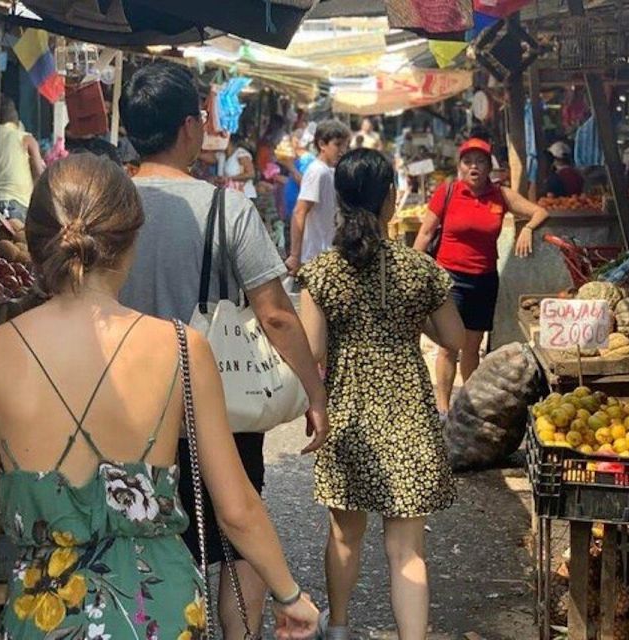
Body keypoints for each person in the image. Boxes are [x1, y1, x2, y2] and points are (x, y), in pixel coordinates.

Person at [0, 153, 320, 640]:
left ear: (36, 242)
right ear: (131, 244)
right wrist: (291, 596)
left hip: (44, 616)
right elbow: (237, 508)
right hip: (160, 611)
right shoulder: (184, 348)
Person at [117, 62, 330, 639]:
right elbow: (277, 315)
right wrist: (315, 392)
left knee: (144, 533)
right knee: (238, 540)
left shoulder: (107, 208)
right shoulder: (225, 209)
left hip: (124, 408)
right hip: (218, 406)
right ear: (191, 126)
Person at [297, 149, 464, 640]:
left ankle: (341, 628)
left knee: (345, 536)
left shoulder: (323, 272)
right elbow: (454, 340)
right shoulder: (420, 269)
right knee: (407, 550)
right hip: (409, 413)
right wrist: (417, 317)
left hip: (348, 413)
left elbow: (312, 350)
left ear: (342, 200)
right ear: (392, 198)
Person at [413, 137, 549, 415]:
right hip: (448, 278)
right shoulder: (447, 191)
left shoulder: (501, 195)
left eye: (480, 161)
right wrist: (412, 268)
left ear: (490, 166)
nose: (474, 166)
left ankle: (467, 406)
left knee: (473, 346)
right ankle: (442, 409)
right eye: (468, 161)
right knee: (449, 346)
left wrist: (528, 228)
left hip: (484, 280)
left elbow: (540, 212)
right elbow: (426, 233)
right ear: (460, 166)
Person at [286, 120, 351, 275]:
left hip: (330, 254)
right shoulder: (317, 172)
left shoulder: (331, 171)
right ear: (322, 144)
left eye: (345, 146)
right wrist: (295, 256)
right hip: (316, 257)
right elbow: (300, 212)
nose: (342, 150)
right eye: (337, 145)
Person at [0, 97, 45, 221]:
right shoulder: (26, 138)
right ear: (16, 121)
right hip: (17, 204)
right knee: (17, 240)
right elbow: (40, 175)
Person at [223, 133, 258, 200]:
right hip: (234, 195)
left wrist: (229, 178)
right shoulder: (223, 154)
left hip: (245, 195)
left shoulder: (241, 154)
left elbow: (251, 174)